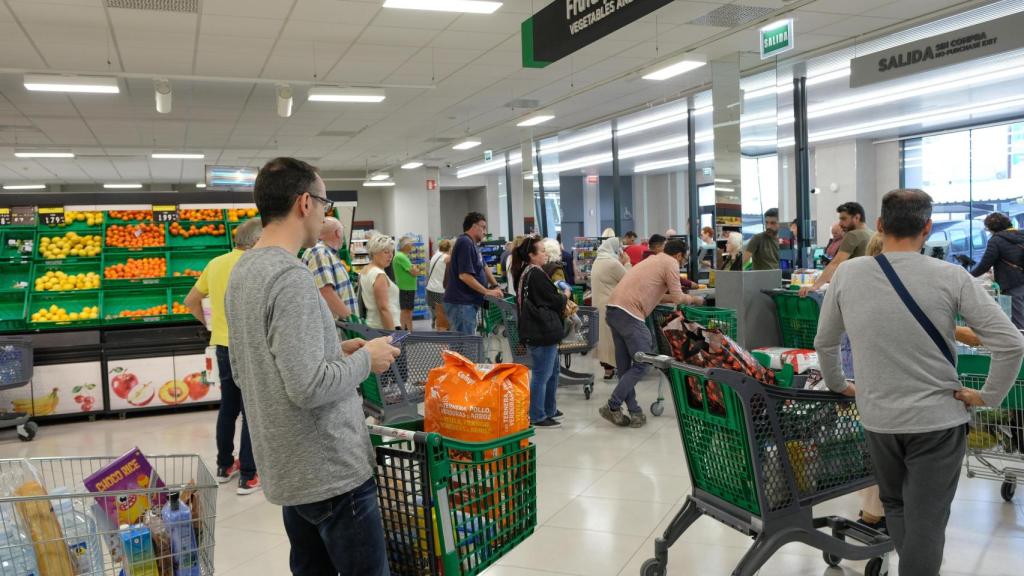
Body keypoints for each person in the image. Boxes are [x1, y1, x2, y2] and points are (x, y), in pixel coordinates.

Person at [815, 188, 1024, 576]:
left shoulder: (848, 273)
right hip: (938, 421)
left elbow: (825, 341)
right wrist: (987, 396)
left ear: (879, 225)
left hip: (879, 418)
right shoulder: (952, 277)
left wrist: (840, 384)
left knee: (894, 505)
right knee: (927, 521)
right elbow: (1011, 343)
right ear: (927, 228)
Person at [225, 157, 401, 575]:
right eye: (325, 203)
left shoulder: (243, 271)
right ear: (305, 202)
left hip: (288, 468)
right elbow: (307, 387)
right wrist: (365, 359)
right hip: (331, 473)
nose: (327, 213)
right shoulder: (291, 277)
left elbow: (247, 367)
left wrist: (336, 350)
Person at [184, 217, 263, 495]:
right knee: (252, 409)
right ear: (255, 242)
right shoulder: (254, 264)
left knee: (229, 407)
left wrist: (210, 325)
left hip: (222, 345)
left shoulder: (215, 263)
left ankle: (224, 465)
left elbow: (190, 301)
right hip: (249, 346)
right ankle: (250, 475)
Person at [601, 239, 705, 429]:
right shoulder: (671, 263)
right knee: (644, 362)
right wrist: (697, 300)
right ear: (680, 255)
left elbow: (657, 294)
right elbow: (677, 297)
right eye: (684, 258)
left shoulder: (653, 260)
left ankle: (634, 412)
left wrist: (678, 296)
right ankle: (613, 404)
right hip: (630, 314)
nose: (682, 262)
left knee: (626, 368)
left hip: (614, 310)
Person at [511, 235, 568, 429]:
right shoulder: (535, 274)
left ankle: (549, 409)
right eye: (541, 251)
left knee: (551, 372)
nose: (545, 254)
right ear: (531, 255)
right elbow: (554, 300)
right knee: (542, 375)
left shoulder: (527, 271)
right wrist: (565, 295)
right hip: (541, 331)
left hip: (538, 330)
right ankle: (537, 415)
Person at [444, 212, 503, 335]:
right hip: (461, 303)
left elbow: (484, 266)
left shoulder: (473, 244)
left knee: (465, 345)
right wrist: (486, 291)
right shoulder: (465, 242)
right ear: (474, 226)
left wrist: (495, 285)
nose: (485, 232)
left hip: (467, 303)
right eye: (483, 227)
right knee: (464, 346)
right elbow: (464, 275)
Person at [800, 202, 874, 297]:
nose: (840, 223)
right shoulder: (872, 234)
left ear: (856, 218)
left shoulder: (853, 235)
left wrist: (815, 286)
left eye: (843, 219)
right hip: (867, 288)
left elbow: (835, 263)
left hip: (852, 290)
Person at [971, 212, 1024, 329]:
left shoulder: (996, 240)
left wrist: (967, 275)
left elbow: (984, 265)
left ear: (991, 228)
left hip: (1012, 284)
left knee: (1018, 322)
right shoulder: (1021, 235)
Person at [302, 216, 359, 321]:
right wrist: (353, 321)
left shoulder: (327, 254)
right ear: (338, 232)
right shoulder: (319, 252)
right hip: (339, 328)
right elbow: (325, 291)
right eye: (342, 232)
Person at [591, 236, 629, 380]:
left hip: (599, 305)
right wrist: (627, 263)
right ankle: (619, 366)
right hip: (612, 306)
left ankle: (608, 370)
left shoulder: (598, 260)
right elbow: (628, 279)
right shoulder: (612, 263)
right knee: (613, 339)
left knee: (604, 338)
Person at [360, 235, 401, 330]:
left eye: (392, 252)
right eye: (386, 252)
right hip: (384, 327)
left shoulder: (366, 270)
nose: (390, 256)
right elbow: (384, 309)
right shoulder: (379, 274)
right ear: (374, 253)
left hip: (373, 324)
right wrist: (392, 335)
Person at [393, 236, 422, 331]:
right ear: (405, 246)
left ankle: (407, 332)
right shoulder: (401, 257)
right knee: (406, 311)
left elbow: (414, 270)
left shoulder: (402, 256)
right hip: (406, 288)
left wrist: (415, 269)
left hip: (406, 287)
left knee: (406, 310)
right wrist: (416, 269)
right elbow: (415, 272)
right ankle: (407, 332)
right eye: (410, 243)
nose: (412, 245)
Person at [426, 238, 452, 331]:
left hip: (430, 289)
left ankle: (436, 320)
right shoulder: (446, 257)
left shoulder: (434, 255)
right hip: (440, 290)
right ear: (449, 248)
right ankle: (441, 330)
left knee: (437, 312)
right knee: (443, 315)